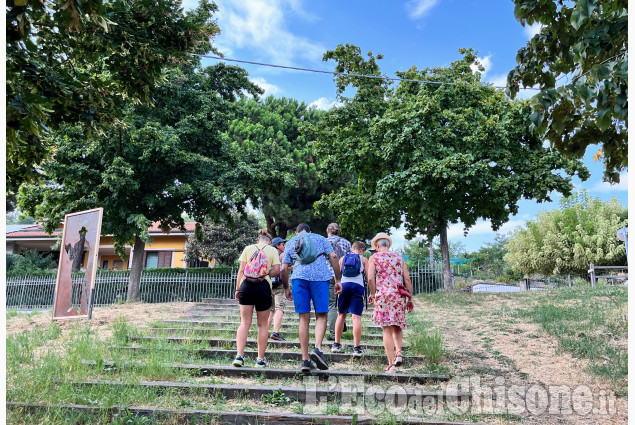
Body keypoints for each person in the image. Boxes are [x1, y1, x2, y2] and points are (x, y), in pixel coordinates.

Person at [281, 223, 342, 372]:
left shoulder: (291, 241)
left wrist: (286, 287)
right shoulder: (321, 238)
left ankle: (305, 360)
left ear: (296, 232)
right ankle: (318, 348)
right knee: (321, 314)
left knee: (303, 318)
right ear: (310, 231)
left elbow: (283, 268)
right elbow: (334, 256)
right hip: (320, 279)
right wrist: (338, 279)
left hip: (299, 279)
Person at [233, 229, 283, 369]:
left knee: (244, 323)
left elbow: (241, 270)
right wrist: (265, 272)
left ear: (258, 240)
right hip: (263, 286)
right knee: (262, 325)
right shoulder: (272, 250)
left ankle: (239, 356)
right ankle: (260, 359)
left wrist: (237, 289)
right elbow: (277, 270)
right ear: (270, 241)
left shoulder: (248, 249)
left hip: (246, 285)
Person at [367, 233, 414, 372]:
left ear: (376, 245)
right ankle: (399, 352)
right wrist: (410, 298)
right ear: (388, 245)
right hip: (398, 295)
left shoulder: (374, 257)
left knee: (386, 329)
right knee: (397, 324)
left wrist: (372, 292)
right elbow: (407, 279)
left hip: (383, 295)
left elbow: (370, 278)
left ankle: (391, 364)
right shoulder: (399, 257)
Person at [332, 241, 369, 357]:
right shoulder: (363, 259)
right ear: (362, 249)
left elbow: (336, 273)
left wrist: (337, 283)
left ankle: (336, 344)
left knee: (341, 315)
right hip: (358, 287)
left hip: (344, 286)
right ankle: (357, 348)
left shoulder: (343, 258)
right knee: (356, 317)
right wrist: (372, 292)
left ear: (352, 248)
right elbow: (369, 277)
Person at [325, 223, 351, 340]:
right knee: (342, 302)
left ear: (328, 231)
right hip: (343, 276)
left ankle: (334, 333)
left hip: (328, 275)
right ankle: (341, 325)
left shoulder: (323, 242)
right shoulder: (346, 242)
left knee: (331, 305)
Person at [269, 236, 290, 341]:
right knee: (279, 308)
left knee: (271, 309)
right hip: (279, 285)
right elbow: (284, 269)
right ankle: (276, 332)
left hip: (269, 284)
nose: (284, 246)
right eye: (282, 244)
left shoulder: (269, 254)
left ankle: (264, 330)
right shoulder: (282, 255)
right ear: (277, 246)